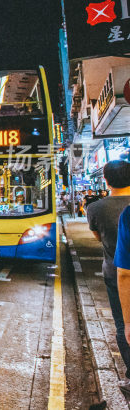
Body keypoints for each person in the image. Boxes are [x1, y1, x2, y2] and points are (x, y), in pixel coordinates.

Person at [92, 160, 130, 396]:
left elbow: (98, 237)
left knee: (123, 325)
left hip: (117, 274)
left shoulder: (96, 208)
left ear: (105, 180)